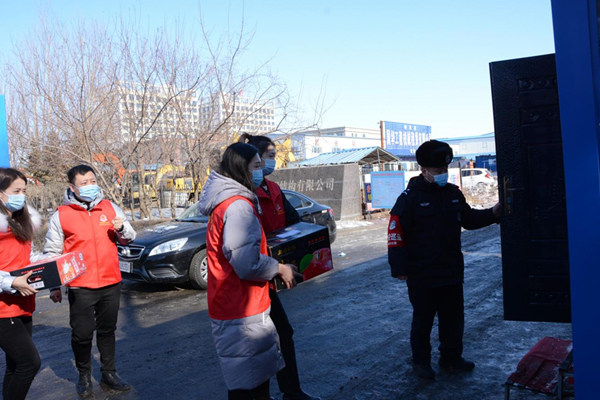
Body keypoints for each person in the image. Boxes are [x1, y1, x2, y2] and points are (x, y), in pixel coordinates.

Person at [387, 140, 500, 380]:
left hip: (450, 271)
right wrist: (399, 267)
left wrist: (493, 213)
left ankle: (451, 359)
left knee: (453, 320)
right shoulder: (409, 199)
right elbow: (396, 233)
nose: (443, 174)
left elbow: (468, 219)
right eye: (438, 170)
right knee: (423, 320)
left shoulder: (452, 194)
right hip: (422, 273)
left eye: (445, 169)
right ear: (424, 170)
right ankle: (421, 362)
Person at [198, 142, 296, 400]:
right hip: (242, 306)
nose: (260, 171)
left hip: (232, 302)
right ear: (242, 168)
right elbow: (246, 263)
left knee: (249, 379)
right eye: (256, 165)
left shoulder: (225, 202)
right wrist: (280, 268)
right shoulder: (238, 206)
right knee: (249, 385)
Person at [239, 133, 321, 400]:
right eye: (269, 157)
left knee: (281, 333)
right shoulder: (241, 198)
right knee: (259, 343)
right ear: (253, 159)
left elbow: (293, 222)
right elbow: (244, 252)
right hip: (253, 279)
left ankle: (291, 390)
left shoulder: (273, 189)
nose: (273, 162)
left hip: (269, 270)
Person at [44, 165, 136, 398]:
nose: (90, 186)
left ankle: (109, 373)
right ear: (72, 187)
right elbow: (52, 252)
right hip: (80, 285)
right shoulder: (61, 215)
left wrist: (122, 228)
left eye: (92, 181)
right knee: (82, 334)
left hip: (110, 281)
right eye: (83, 183)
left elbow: (129, 238)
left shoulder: (110, 207)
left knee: (107, 330)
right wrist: (54, 286)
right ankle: (84, 376)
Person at [0, 168, 43, 400]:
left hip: (23, 303)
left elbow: (26, 256)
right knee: (30, 363)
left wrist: (48, 263)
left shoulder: (19, 221)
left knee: (15, 365)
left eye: (24, 191)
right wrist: (11, 281)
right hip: (3, 308)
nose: (22, 196)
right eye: (16, 191)